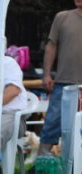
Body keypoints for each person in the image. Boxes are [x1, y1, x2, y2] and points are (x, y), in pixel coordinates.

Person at [37, 0, 82, 156]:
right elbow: (51, 46)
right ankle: (41, 161)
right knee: (52, 123)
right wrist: (47, 73)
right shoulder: (62, 17)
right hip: (63, 82)